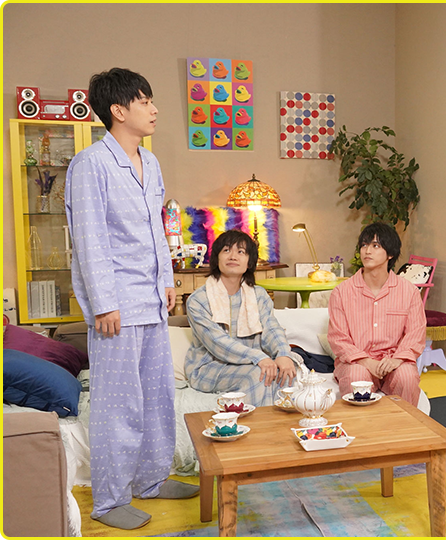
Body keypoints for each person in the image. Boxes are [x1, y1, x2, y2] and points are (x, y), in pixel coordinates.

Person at [65, 68, 198, 530]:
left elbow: (157, 230)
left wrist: (168, 281)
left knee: (157, 398)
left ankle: (151, 478)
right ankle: (109, 500)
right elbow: (90, 239)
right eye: (145, 101)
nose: (154, 109)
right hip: (116, 306)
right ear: (118, 110)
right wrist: (104, 303)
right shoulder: (90, 164)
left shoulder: (151, 162)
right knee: (118, 405)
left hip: (151, 300)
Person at [184, 230, 296, 405]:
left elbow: (271, 328)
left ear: (249, 262)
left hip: (253, 362)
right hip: (210, 367)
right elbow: (218, 343)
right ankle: (258, 424)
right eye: (226, 250)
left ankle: (280, 423)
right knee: (258, 375)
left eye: (241, 251)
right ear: (216, 259)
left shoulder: (259, 295)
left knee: (287, 372)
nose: (233, 256)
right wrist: (259, 357)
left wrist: (283, 354)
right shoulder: (198, 300)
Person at [327, 222, 426, 406]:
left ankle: (404, 423)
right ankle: (361, 424)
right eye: (364, 245)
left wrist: (397, 359)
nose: (367, 251)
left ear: (390, 254)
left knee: (406, 376)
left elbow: (415, 334)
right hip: (356, 362)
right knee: (356, 376)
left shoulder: (409, 291)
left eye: (375, 246)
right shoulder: (341, 292)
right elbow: (338, 338)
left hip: (394, 360)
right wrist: (366, 361)